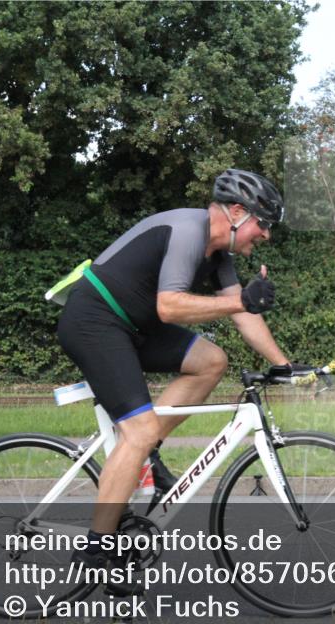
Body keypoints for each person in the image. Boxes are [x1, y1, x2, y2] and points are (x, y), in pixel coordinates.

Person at [56, 169, 292, 583]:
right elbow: (169, 306)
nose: (266, 235)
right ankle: (95, 549)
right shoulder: (188, 230)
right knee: (139, 431)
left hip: (133, 326)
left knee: (211, 361)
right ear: (237, 212)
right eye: (264, 223)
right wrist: (241, 301)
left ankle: (143, 452)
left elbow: (243, 316)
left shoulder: (220, 257)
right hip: (95, 320)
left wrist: (285, 365)